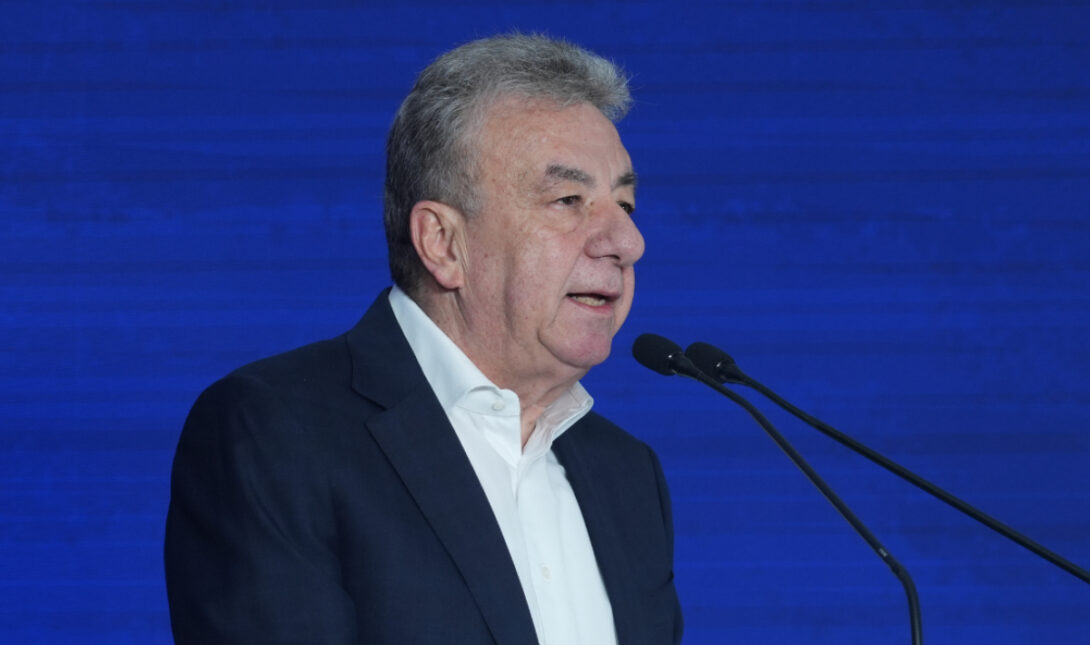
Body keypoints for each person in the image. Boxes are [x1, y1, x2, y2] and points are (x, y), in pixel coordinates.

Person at [164, 33, 682, 645]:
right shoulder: (276, 433)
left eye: (625, 204)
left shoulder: (627, 473)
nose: (627, 242)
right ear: (442, 242)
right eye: (568, 200)